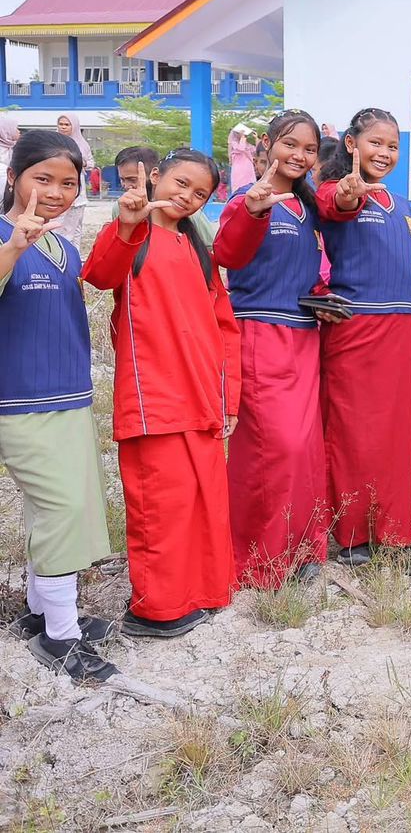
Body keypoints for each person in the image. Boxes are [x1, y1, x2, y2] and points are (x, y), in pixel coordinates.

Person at [82, 151, 239, 637]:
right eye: (179, 183)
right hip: (154, 396)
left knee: (204, 501)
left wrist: (228, 395)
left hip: (202, 394)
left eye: (199, 194)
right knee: (161, 508)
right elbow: (100, 275)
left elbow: (225, 328)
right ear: (155, 178)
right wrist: (127, 226)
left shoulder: (199, 249)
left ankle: (206, 593)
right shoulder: (135, 234)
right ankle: (157, 610)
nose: (186, 197)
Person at [0, 131, 117, 681]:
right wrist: (14, 247)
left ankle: (42, 610)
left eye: (68, 183)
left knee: (59, 510)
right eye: (42, 179)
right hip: (18, 401)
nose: (55, 192)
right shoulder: (9, 237)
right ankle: (61, 638)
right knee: (64, 510)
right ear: (13, 178)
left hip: (68, 397)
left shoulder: (63, 246)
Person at [213, 109, 331, 587]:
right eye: (290, 144)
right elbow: (228, 254)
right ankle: (258, 559)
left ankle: (303, 549)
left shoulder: (308, 208)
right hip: (259, 334)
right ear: (267, 143)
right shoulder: (249, 197)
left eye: (309, 149)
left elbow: (306, 272)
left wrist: (324, 298)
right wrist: (254, 210)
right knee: (270, 448)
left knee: (304, 448)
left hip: (304, 336)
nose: (299, 156)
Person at [316, 108, 411, 563]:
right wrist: (348, 194)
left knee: (397, 435)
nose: (384, 153)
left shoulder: (401, 204)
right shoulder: (336, 190)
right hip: (356, 328)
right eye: (375, 143)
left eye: (392, 146)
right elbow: (336, 205)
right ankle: (350, 535)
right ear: (351, 144)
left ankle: (396, 532)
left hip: (401, 330)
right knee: (351, 432)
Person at [54, 114, 93, 248]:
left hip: (78, 190)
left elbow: (91, 163)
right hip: (59, 187)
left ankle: (74, 256)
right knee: (58, 226)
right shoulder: (53, 142)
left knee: (76, 227)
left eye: (67, 124)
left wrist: (82, 162)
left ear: (74, 126)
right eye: (61, 124)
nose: (63, 127)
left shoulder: (82, 144)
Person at [228, 123, 258, 194]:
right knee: (239, 188)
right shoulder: (234, 144)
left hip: (249, 170)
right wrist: (242, 137)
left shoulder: (247, 145)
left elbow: (257, 151)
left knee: (250, 188)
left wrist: (256, 138)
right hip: (239, 170)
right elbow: (241, 148)